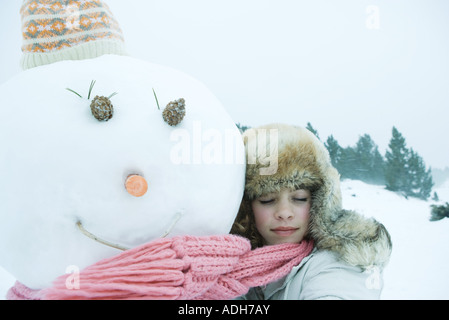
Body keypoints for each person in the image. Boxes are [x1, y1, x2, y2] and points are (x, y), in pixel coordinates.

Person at [231, 123, 392, 300]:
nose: (284, 213)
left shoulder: (339, 262)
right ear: (246, 206)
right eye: (267, 200)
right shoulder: (222, 267)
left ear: (320, 201)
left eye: (299, 198)